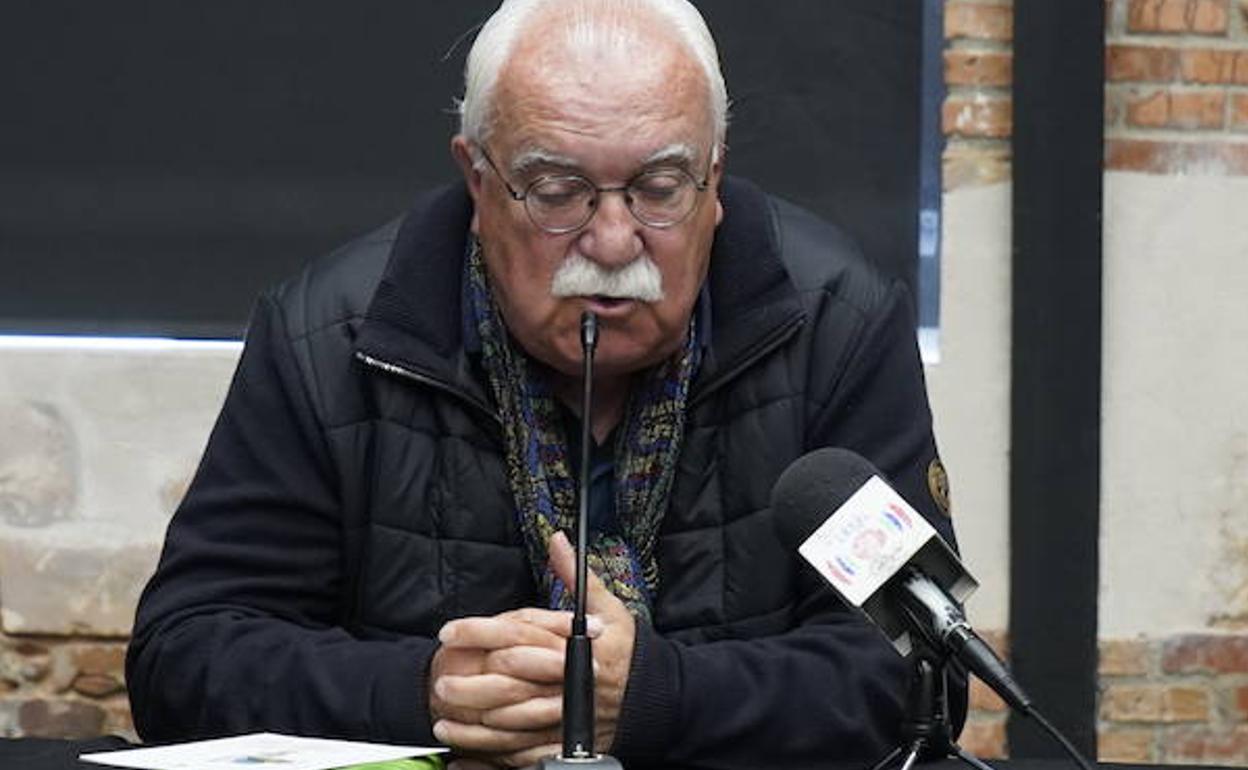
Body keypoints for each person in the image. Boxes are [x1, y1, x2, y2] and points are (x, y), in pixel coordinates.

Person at [126, 1, 964, 768]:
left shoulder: (837, 325)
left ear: (715, 178)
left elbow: (920, 672)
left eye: (660, 189)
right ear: (479, 180)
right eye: (558, 192)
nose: (611, 240)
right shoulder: (330, 336)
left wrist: (656, 697)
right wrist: (428, 693)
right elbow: (186, 658)